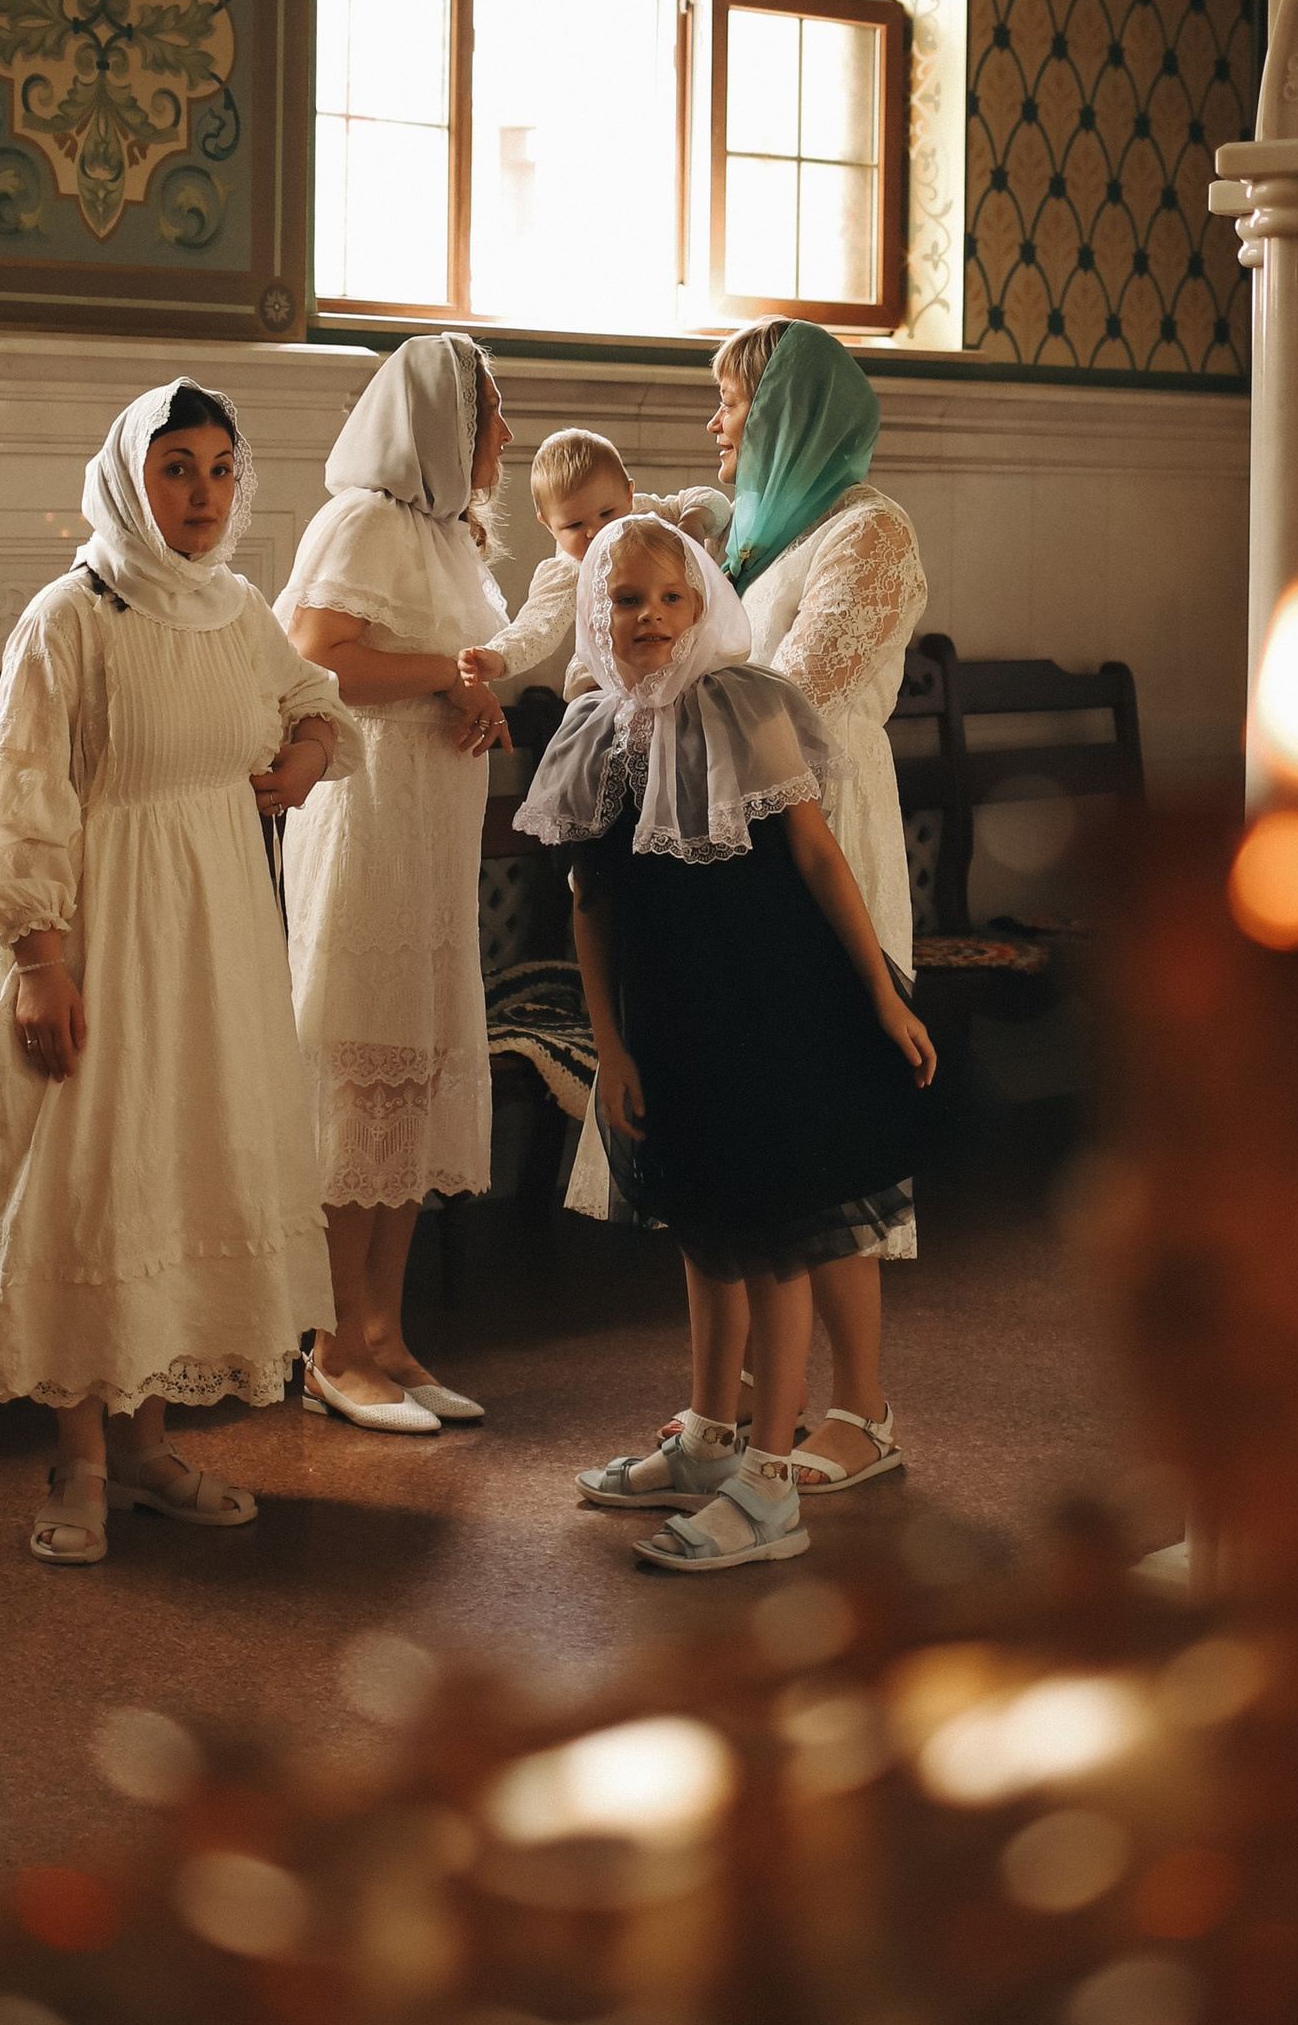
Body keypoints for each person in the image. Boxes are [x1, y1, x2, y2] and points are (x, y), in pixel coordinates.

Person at [0, 380, 347, 1567]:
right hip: (97, 925)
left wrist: (310, 753)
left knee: (179, 1162)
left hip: (215, 928)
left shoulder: (235, 610)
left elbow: (306, 695)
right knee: (94, 1168)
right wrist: (39, 963)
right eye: (178, 468)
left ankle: (149, 1446)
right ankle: (78, 1458)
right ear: (130, 477)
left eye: (221, 469)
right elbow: (19, 803)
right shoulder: (70, 618)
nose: (204, 493)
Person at [521, 515, 936, 1573]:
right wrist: (609, 1046)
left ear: (701, 605)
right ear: (594, 615)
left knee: (773, 1232)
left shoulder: (740, 703)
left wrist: (880, 992)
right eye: (625, 602)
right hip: (667, 1015)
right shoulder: (591, 732)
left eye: (670, 598)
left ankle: (765, 1482)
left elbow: (816, 853)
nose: (649, 618)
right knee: (699, 1223)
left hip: (772, 1001)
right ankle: (707, 1438)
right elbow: (590, 902)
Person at [707, 317, 928, 1486]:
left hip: (826, 828)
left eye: (733, 402)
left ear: (788, 413)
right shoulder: (751, 537)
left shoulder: (867, 533)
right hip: (737, 836)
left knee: (830, 1123)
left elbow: (785, 692)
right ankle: (753, 1401)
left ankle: (865, 1410)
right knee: (756, 1127)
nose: (717, 425)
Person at [280, 333, 513, 1432]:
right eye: (490, 414)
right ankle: (329, 1342)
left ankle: (387, 1334)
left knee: (412, 1066)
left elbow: (455, 666)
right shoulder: (363, 520)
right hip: (364, 821)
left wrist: (475, 698)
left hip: (431, 831)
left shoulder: (450, 535)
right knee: (357, 1059)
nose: (502, 435)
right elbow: (315, 661)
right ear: (441, 426)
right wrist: (445, 677)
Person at [459, 428, 733, 703]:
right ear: (548, 524)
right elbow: (537, 625)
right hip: (612, 680)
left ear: (628, 494)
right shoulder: (570, 569)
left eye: (607, 513)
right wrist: (499, 657)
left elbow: (713, 501)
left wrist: (693, 523)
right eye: (574, 525)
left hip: (679, 658)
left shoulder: (646, 515)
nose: (594, 531)